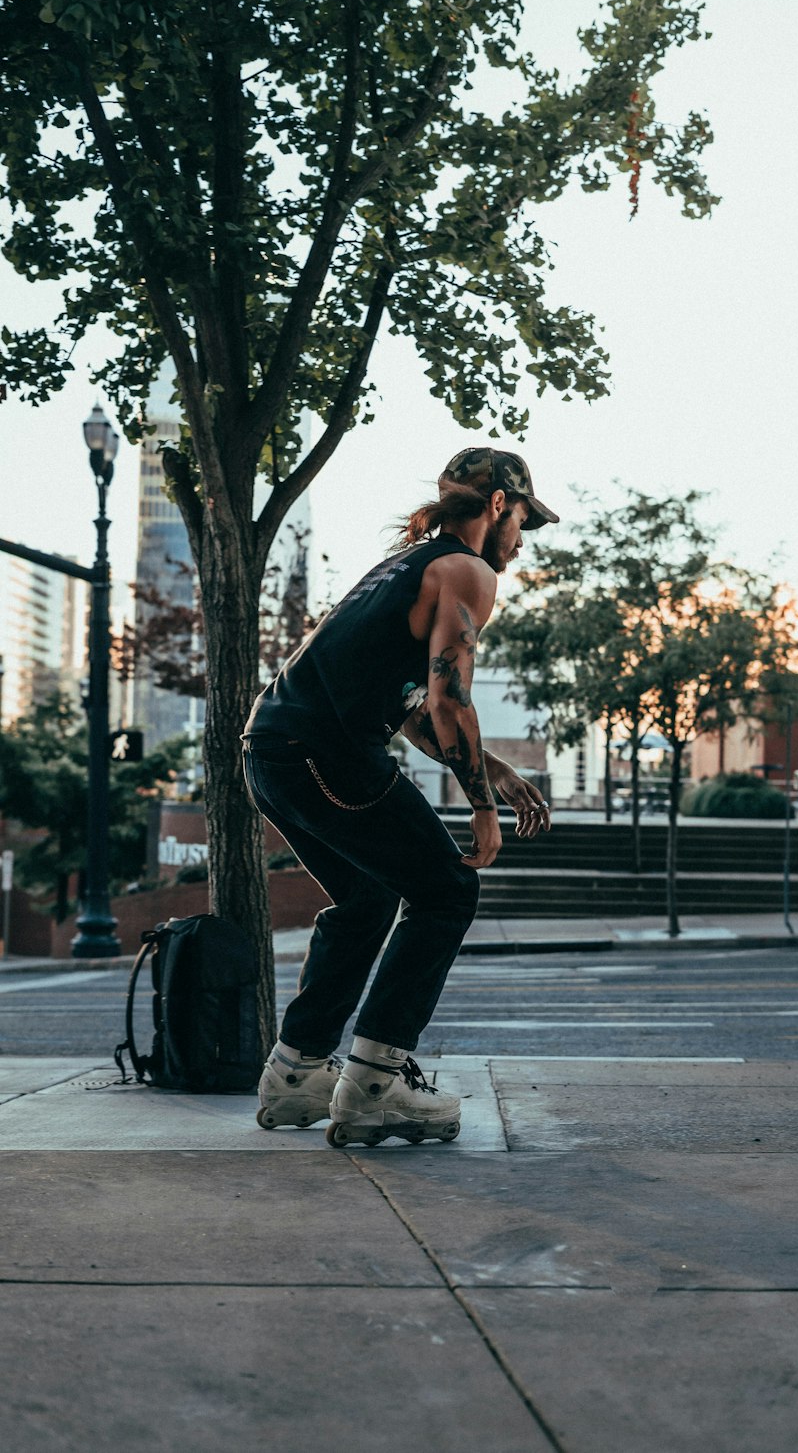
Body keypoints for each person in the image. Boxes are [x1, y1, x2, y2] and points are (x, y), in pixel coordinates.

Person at [243, 447, 557, 1147]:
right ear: (500, 505)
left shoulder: (404, 567)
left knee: (366, 899)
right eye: (523, 522)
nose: (521, 541)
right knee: (447, 892)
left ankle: (295, 1075)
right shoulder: (466, 572)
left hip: (270, 754)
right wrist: (482, 810)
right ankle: (378, 1083)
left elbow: (409, 707)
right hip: (329, 756)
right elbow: (450, 698)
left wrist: (496, 770)